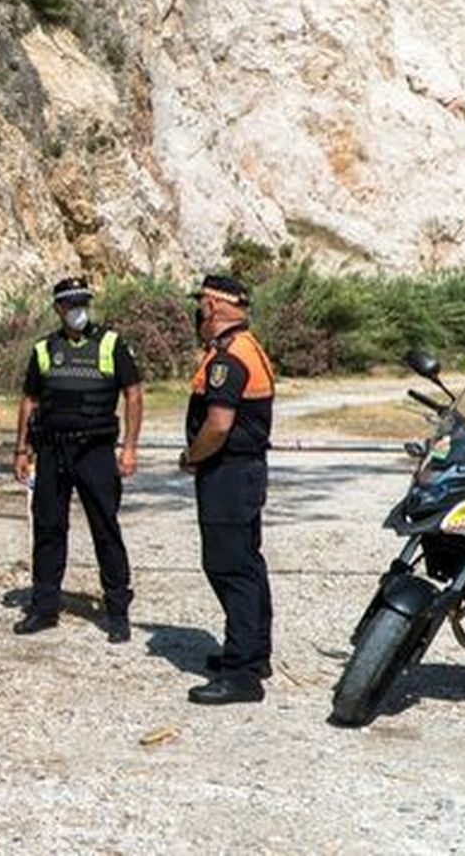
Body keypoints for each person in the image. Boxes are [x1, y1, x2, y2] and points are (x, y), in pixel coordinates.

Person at [12, 276, 144, 642]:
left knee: (105, 528)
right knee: (48, 529)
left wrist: (130, 447)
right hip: (52, 450)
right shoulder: (44, 349)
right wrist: (22, 450)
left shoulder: (112, 344)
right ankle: (44, 608)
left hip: (95, 451)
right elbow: (29, 401)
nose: (77, 310)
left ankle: (117, 611)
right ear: (58, 308)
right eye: (70, 304)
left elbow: (133, 395)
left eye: (82, 302)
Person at [179, 274, 276, 705]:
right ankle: (254, 655)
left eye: (201, 303)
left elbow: (218, 425)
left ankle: (241, 676)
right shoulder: (244, 347)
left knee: (229, 567)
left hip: (228, 474)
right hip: (243, 473)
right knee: (247, 564)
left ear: (215, 306)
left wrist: (192, 457)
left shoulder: (228, 359)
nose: (198, 311)